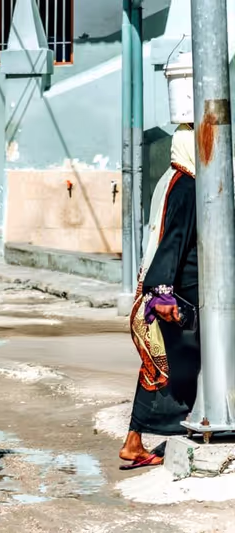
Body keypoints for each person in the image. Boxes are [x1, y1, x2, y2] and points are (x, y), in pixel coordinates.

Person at [120, 123, 200, 470]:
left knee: (162, 366)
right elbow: (173, 238)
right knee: (174, 368)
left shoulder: (173, 180)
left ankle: (134, 440)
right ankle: (136, 440)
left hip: (176, 290)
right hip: (181, 292)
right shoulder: (188, 187)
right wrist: (163, 291)